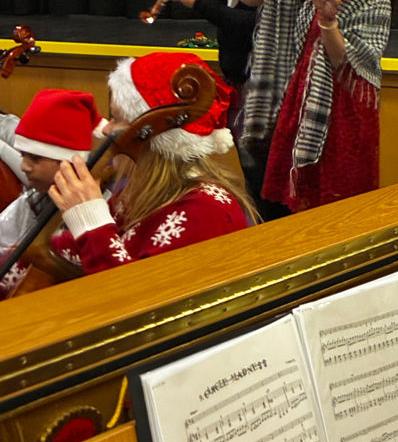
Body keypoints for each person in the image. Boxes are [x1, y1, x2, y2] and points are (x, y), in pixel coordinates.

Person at [1, 52, 254, 295]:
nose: (107, 129)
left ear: (150, 134)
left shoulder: (205, 211)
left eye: (118, 118)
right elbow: (71, 250)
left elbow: (135, 299)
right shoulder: (135, 192)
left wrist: (90, 220)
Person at [240, 0, 393, 215]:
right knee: (294, 199)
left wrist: (327, 19)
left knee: (338, 196)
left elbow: (347, 62)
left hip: (345, 104)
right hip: (303, 94)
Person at [173, 0, 317, 213]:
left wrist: (198, 3)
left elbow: (246, 22)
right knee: (254, 178)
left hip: (267, 94)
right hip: (242, 88)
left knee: (268, 183)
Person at [0, 90, 102, 256]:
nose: (23, 166)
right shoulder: (33, 200)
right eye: (22, 156)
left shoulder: (98, 205)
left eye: (35, 158)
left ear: (68, 162)